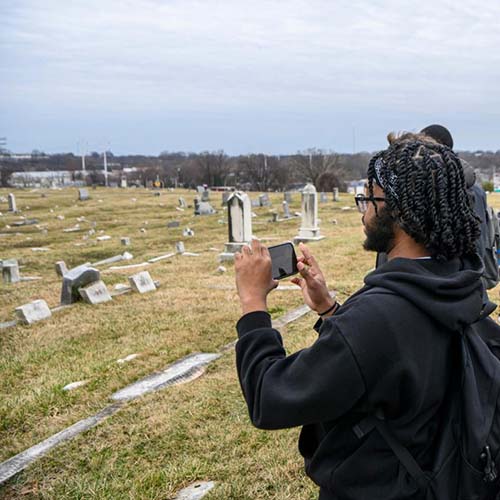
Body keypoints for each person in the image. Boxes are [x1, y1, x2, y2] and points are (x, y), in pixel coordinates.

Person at [233, 133, 484, 499]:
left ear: (400, 210)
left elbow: (270, 398)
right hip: (434, 473)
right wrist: (330, 309)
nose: (364, 211)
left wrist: (253, 303)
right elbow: (385, 362)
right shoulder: (455, 283)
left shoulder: (377, 318)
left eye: (369, 198)